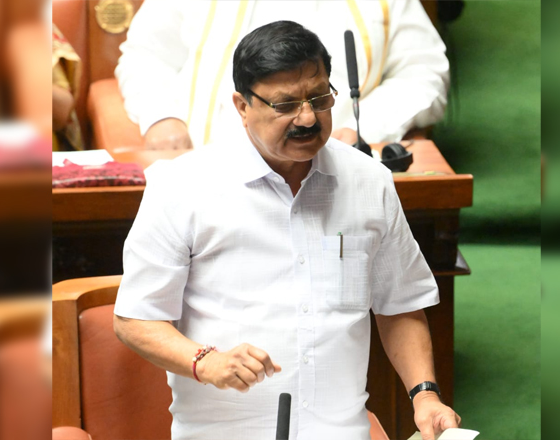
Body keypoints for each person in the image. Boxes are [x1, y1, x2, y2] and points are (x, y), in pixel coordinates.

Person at [114, 21, 459, 440]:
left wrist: (425, 395)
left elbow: (399, 305)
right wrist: (206, 361)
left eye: (319, 98)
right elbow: (135, 319)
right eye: (285, 105)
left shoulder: (369, 182)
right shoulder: (182, 186)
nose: (308, 118)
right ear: (242, 106)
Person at [115, 0, 449, 150]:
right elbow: (145, 56)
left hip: (332, 177)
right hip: (203, 173)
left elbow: (423, 72)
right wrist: (162, 118)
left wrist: (363, 130)